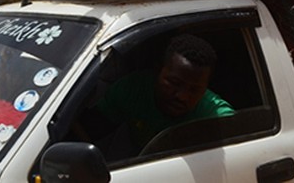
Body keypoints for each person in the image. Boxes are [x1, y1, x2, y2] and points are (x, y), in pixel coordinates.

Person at [83, 34, 234, 157]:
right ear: (157, 71)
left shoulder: (216, 116)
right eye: (174, 83)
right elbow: (89, 129)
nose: (182, 96)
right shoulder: (133, 89)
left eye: (194, 90)